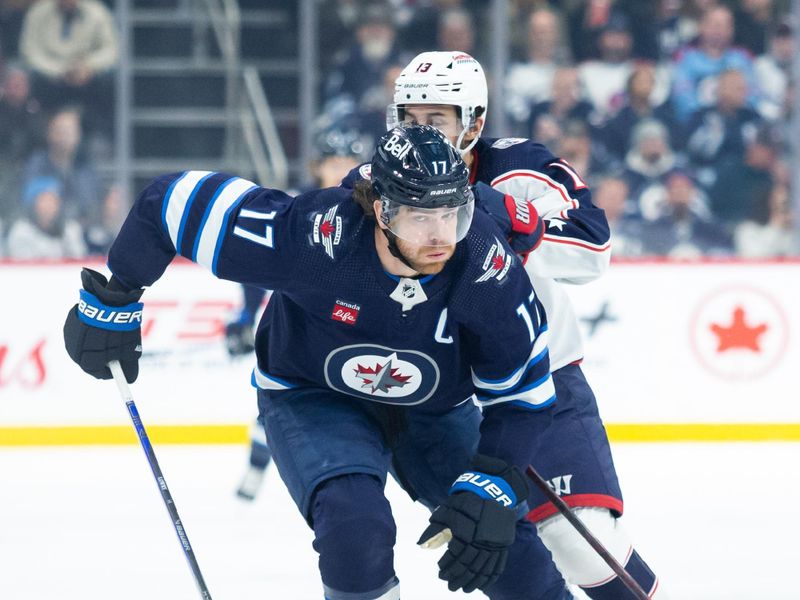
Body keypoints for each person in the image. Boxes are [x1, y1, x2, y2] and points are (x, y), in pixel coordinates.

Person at [64, 125, 573, 600]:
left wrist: (495, 484)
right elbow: (170, 203)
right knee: (355, 530)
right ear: (381, 210)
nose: (441, 236)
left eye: (452, 215)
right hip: (314, 395)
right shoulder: (310, 237)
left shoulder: (485, 266)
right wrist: (115, 294)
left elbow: (524, 399)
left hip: (435, 410)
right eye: (420, 217)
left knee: (508, 550)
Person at [375, 50, 666, 598]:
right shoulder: (379, 180)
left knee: (580, 541)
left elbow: (593, 247)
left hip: (539, 376)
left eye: (436, 120)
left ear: (474, 123)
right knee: (504, 558)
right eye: (409, 119)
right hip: (443, 399)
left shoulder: (519, 168)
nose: (420, 133)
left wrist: (504, 216)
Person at [231, 124, 370, 502]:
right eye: (334, 161)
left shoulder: (375, 210)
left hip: (354, 324)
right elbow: (256, 265)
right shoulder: (297, 208)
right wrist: (244, 317)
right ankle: (258, 467)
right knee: (285, 391)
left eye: (349, 160)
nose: (342, 168)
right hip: (298, 321)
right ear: (317, 165)